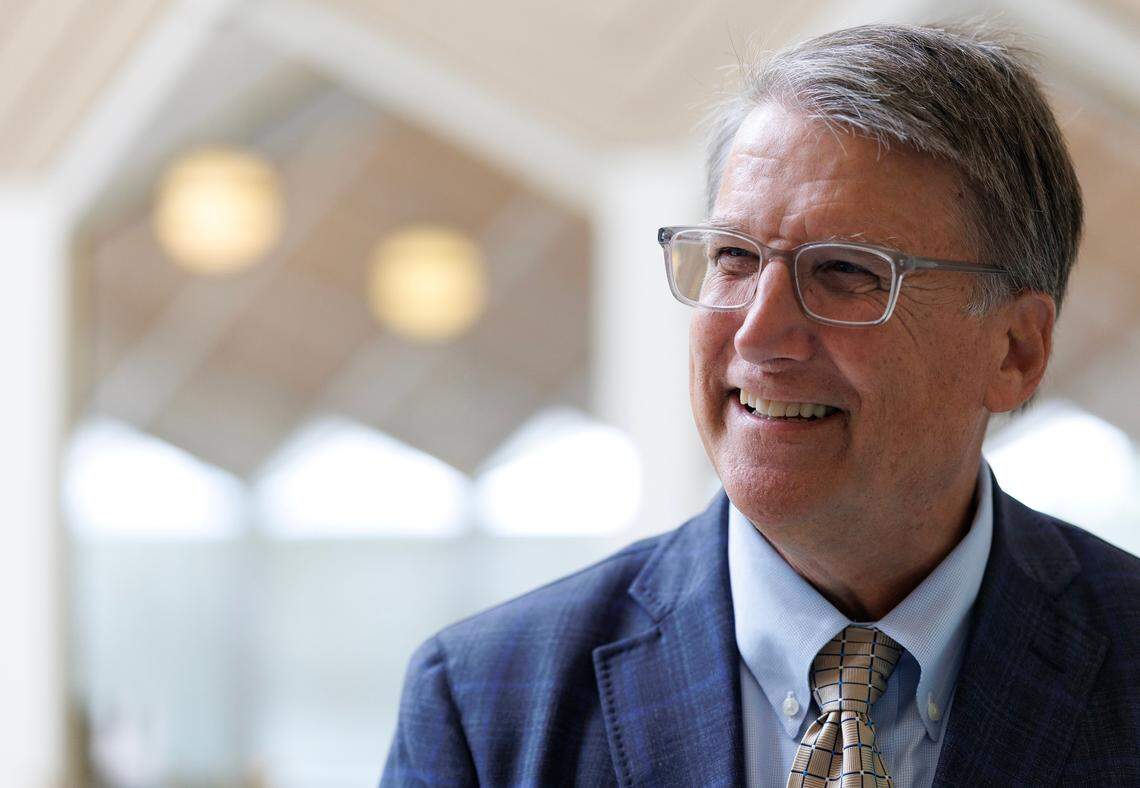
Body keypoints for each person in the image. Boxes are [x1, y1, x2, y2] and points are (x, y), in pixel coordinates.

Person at [381, 23, 1140, 787]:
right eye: (734, 259)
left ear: (1016, 351)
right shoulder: (485, 707)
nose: (761, 330)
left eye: (845, 271)